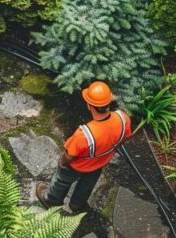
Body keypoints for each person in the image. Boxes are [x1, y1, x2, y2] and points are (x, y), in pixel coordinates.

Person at [36, 81, 132, 214]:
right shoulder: (123, 118)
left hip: (76, 166)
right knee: (87, 185)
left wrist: (62, 163)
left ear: (89, 106)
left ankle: (51, 200)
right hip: (98, 164)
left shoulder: (85, 134)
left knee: (62, 181)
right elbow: (125, 137)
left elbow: (69, 155)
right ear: (109, 102)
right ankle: (76, 205)